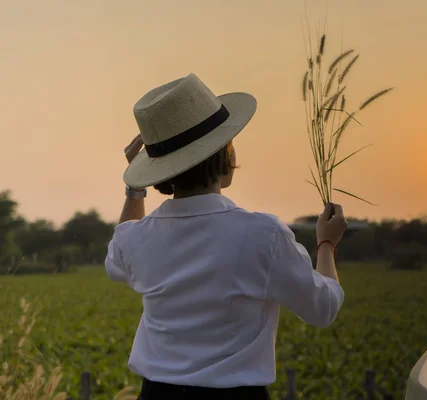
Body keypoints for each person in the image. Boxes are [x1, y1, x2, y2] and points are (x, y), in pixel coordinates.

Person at [104, 73, 347, 400]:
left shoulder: (135, 239)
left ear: (158, 167)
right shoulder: (264, 235)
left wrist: (135, 190)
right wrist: (326, 245)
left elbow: (116, 260)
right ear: (225, 156)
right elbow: (323, 309)